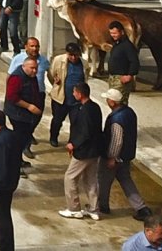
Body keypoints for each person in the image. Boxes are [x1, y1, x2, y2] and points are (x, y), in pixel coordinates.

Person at [98, 87, 150, 220]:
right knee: (126, 180)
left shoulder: (116, 119)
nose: (106, 101)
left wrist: (112, 157)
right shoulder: (129, 112)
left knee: (104, 181)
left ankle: (102, 206)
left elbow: (116, 141)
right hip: (126, 156)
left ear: (112, 102)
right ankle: (141, 208)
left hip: (115, 157)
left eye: (107, 99)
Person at [59, 81, 103, 220]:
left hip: (84, 152)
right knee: (91, 180)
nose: (73, 94)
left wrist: (73, 144)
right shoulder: (95, 107)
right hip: (95, 151)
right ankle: (94, 209)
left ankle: (74, 208)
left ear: (80, 94)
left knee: (70, 177)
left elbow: (85, 132)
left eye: (74, 92)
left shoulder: (84, 111)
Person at [0, 110, 24, 251]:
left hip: (2, 186)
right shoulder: (10, 136)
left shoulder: (2, 141)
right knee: (3, 216)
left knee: (2, 218)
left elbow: (1, 166)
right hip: (9, 183)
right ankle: (1, 244)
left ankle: (3, 246)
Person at [48, 40, 85, 146]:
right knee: (57, 120)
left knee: (76, 122)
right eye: (71, 55)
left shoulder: (84, 63)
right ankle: (53, 137)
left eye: (75, 55)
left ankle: (73, 142)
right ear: (67, 53)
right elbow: (51, 74)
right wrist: (56, 83)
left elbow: (85, 79)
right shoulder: (58, 60)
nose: (73, 57)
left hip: (76, 101)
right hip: (60, 98)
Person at [106, 20, 141, 97]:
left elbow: (134, 61)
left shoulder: (127, 46)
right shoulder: (116, 44)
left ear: (122, 32)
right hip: (113, 78)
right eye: (111, 33)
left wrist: (129, 75)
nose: (113, 35)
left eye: (115, 33)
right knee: (112, 100)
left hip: (121, 79)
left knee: (119, 101)